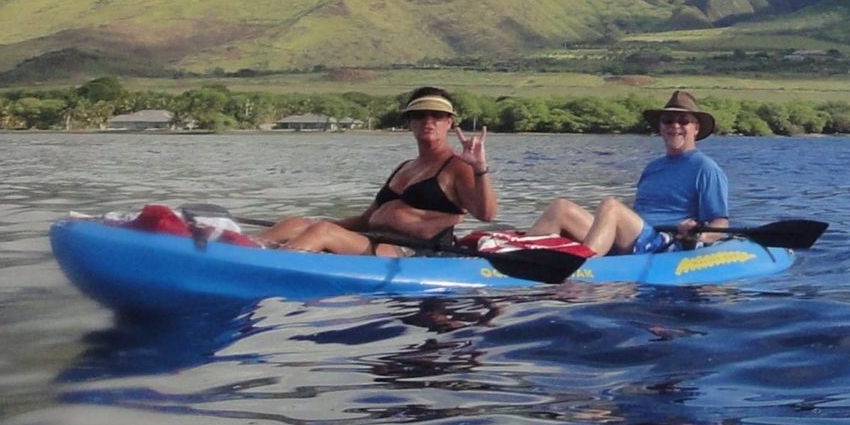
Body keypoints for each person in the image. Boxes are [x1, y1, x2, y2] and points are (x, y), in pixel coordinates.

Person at [261, 88, 496, 255]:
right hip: (373, 240)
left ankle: (268, 267)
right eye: (419, 115)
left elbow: (486, 214)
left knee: (322, 231)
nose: (428, 121)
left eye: (437, 115)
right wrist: (310, 224)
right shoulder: (405, 167)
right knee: (296, 223)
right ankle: (239, 248)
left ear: (450, 122)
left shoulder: (458, 165)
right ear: (409, 122)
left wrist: (480, 169)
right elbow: (365, 220)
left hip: (415, 253)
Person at [531, 88, 732, 255]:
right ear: (661, 127)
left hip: (666, 244)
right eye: (668, 120)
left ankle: (583, 264)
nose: (675, 126)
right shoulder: (652, 168)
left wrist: (698, 236)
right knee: (560, 208)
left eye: (683, 121)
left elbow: (720, 222)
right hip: (637, 239)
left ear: (695, 128)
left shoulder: (706, 169)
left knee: (611, 206)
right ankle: (514, 257)